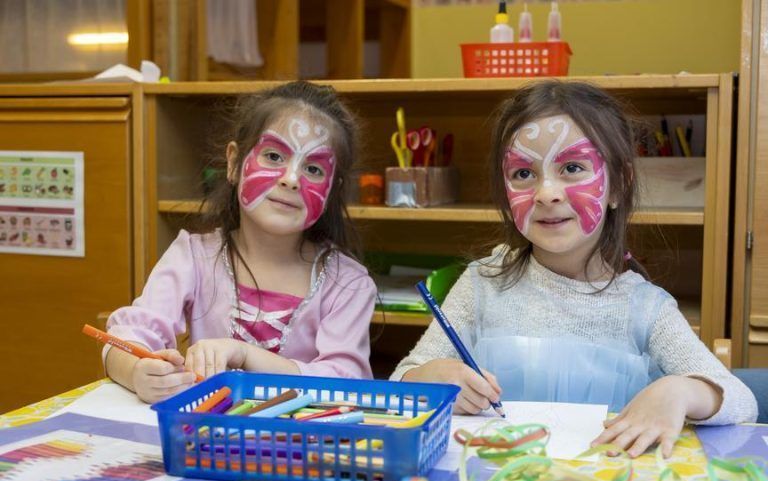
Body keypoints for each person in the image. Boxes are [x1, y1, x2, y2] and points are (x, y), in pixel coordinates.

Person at [392, 81, 757, 458]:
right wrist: (432, 377)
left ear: (619, 185)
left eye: (571, 167)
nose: (546, 193)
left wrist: (681, 390)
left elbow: (741, 401)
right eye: (523, 174)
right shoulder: (481, 285)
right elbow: (401, 381)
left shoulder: (645, 308)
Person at [106, 81, 376, 403]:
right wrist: (138, 373)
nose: (291, 179)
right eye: (274, 155)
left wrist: (245, 355)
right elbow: (123, 339)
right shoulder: (192, 256)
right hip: (207, 440)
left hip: (298, 447)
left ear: (332, 189)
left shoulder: (347, 283)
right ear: (234, 163)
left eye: (313, 168)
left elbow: (346, 382)